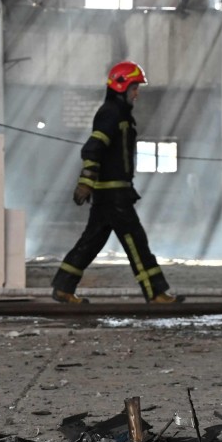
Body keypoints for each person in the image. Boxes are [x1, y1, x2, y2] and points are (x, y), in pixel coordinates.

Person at [50, 61, 181, 304]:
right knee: (136, 241)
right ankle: (155, 293)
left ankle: (63, 287)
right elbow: (93, 147)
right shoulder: (110, 113)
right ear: (121, 86)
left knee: (91, 242)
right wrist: (86, 181)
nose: (137, 93)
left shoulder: (119, 114)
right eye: (134, 88)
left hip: (112, 194)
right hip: (113, 195)